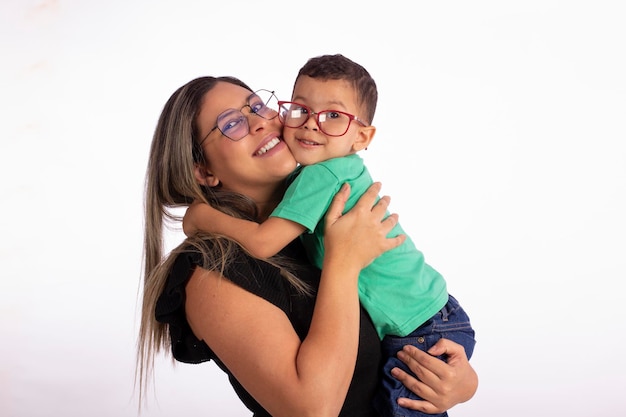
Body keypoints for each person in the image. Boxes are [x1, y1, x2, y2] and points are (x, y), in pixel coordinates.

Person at [136, 75, 478, 417]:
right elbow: (311, 409)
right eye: (233, 123)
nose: (259, 121)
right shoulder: (211, 270)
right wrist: (342, 263)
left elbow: (406, 330)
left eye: (257, 105)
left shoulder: (313, 222)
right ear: (203, 170)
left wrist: (462, 385)